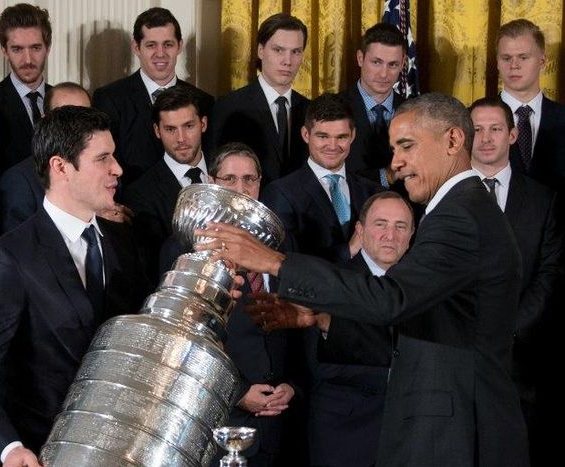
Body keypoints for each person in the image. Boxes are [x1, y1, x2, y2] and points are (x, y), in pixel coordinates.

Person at [196, 93, 530, 467]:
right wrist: (322, 319)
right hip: (447, 427)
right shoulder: (461, 210)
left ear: (453, 141)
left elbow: (390, 300)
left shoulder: (461, 216)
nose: (396, 163)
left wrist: (275, 262)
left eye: (406, 146)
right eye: (393, 149)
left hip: (460, 435)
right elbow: (421, 329)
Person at [0, 106, 152, 467]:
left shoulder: (121, 242)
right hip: (36, 454)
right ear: (60, 167)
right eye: (103, 158)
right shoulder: (7, 259)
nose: (117, 169)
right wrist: (8, 448)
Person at [160, 143, 296, 467]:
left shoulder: (283, 245)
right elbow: (180, 343)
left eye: (249, 179)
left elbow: (296, 326)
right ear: (211, 181)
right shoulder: (183, 249)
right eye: (230, 179)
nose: (241, 189)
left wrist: (293, 386)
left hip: (282, 427)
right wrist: (238, 393)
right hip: (218, 426)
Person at [470, 96, 562, 466]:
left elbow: (551, 273)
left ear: (513, 134)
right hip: (455, 361)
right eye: (477, 129)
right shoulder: (438, 196)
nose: (487, 138)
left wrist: (509, 329)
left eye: (496, 129)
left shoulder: (543, 200)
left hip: (520, 367)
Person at [307, 191, 414, 467]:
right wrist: (401, 374)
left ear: (412, 234)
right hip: (346, 438)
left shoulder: (422, 288)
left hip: (410, 440)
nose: (390, 235)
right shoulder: (332, 284)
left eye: (400, 226)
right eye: (381, 224)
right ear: (360, 229)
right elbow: (318, 366)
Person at [92, 7, 214, 186]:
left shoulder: (204, 101)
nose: (160, 53)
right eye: (151, 45)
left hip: (191, 204)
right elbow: (102, 163)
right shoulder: (110, 99)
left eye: (168, 44)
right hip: (131, 207)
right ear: (136, 47)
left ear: (179, 46)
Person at [261, 92, 384, 263]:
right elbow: (286, 262)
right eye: (323, 136)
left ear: (353, 135)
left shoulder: (374, 192)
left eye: (341, 137)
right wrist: (348, 250)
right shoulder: (280, 193)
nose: (332, 146)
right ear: (306, 134)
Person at [207, 13, 309, 184]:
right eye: (278, 50)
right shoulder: (228, 107)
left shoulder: (310, 110)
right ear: (261, 51)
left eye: (296, 52)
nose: (288, 61)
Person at [123, 86, 208, 282]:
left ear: (203, 124)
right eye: (170, 129)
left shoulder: (226, 174)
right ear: (157, 131)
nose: (181, 139)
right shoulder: (139, 193)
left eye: (188, 126)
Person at [0, 81, 91, 232]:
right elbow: (19, 245)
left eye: (85, 116)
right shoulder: (20, 179)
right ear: (45, 121)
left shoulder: (106, 170)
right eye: (66, 116)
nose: (77, 124)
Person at [497, 19, 565, 194]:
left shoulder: (562, 118)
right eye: (506, 58)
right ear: (497, 62)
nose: (514, 66)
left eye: (523, 57)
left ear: (542, 61)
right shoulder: (471, 119)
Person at [0, 3, 53, 173]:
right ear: (5, 51)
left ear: (48, 48)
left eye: (35, 48)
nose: (27, 59)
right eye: (17, 49)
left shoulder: (63, 99)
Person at [341, 23, 406, 187]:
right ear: (360, 58)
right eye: (376, 62)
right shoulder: (334, 108)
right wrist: (385, 176)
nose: (384, 74)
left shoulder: (415, 111)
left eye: (393, 65)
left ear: (403, 63)